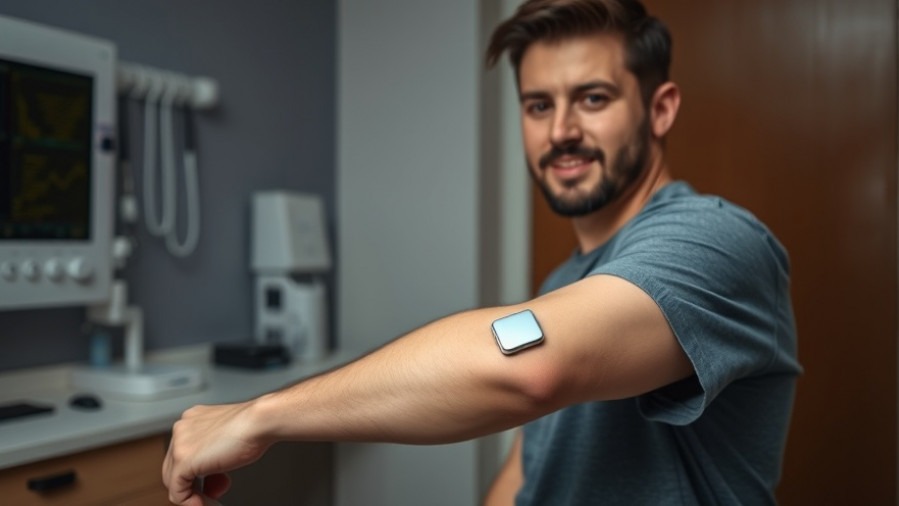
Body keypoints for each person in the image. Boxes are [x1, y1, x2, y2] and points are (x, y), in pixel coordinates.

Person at [162, 0, 801, 504]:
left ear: (660, 109)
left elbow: (527, 365)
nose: (561, 132)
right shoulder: (567, 283)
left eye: (593, 98)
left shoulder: (716, 242)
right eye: (538, 105)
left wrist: (261, 415)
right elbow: (529, 475)